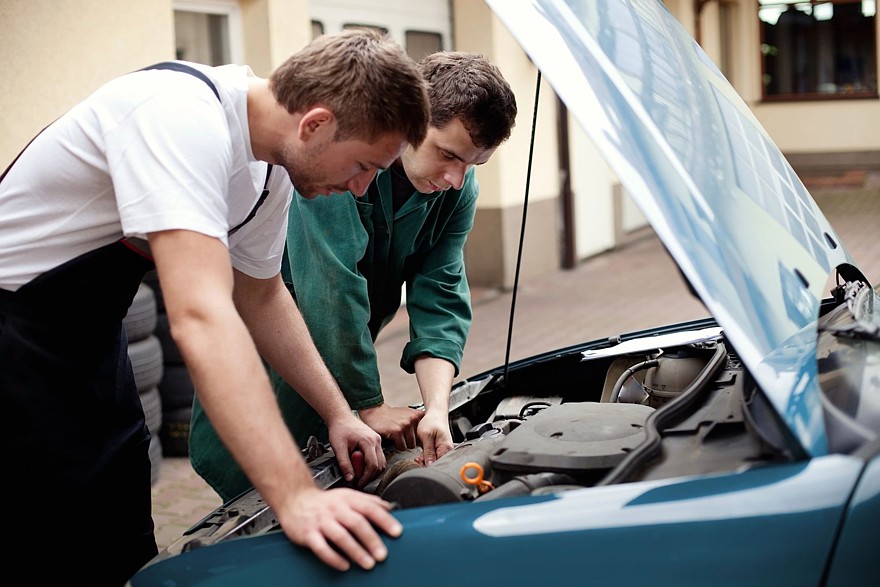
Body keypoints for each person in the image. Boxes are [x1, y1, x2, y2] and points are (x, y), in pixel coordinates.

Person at [0, 29, 429, 585]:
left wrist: (338, 412)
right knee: (41, 538)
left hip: (91, 340)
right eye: (364, 164)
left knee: (121, 528)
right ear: (316, 123)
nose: (361, 188)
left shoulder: (268, 172)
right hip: (15, 336)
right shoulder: (178, 116)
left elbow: (262, 295)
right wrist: (295, 497)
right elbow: (202, 317)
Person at [189, 51, 518, 502]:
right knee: (255, 488)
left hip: (342, 355)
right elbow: (332, 286)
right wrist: (370, 404)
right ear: (414, 120)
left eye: (472, 166)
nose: (456, 179)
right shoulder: (342, 163)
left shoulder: (455, 191)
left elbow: (440, 293)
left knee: (329, 467)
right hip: (273, 347)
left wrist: (436, 410)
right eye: (448, 154)